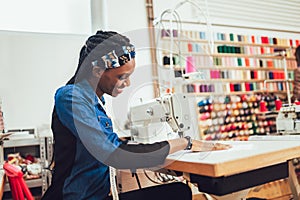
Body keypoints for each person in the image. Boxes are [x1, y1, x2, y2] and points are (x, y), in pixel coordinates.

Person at [41, 30, 230, 200]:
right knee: (177, 193)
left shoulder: (95, 100)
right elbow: (113, 153)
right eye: (122, 77)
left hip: (97, 194)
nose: (128, 83)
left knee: (179, 191)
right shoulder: (71, 97)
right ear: (97, 71)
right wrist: (186, 142)